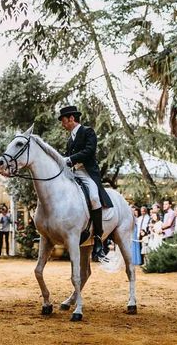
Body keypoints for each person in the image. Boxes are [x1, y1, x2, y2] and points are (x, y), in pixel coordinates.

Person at [59, 105, 113, 261]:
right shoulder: (70, 139)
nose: (63, 125)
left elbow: (89, 151)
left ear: (71, 119)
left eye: (64, 121)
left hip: (87, 173)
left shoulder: (88, 132)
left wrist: (70, 159)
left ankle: (98, 241)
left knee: (94, 198)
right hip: (73, 174)